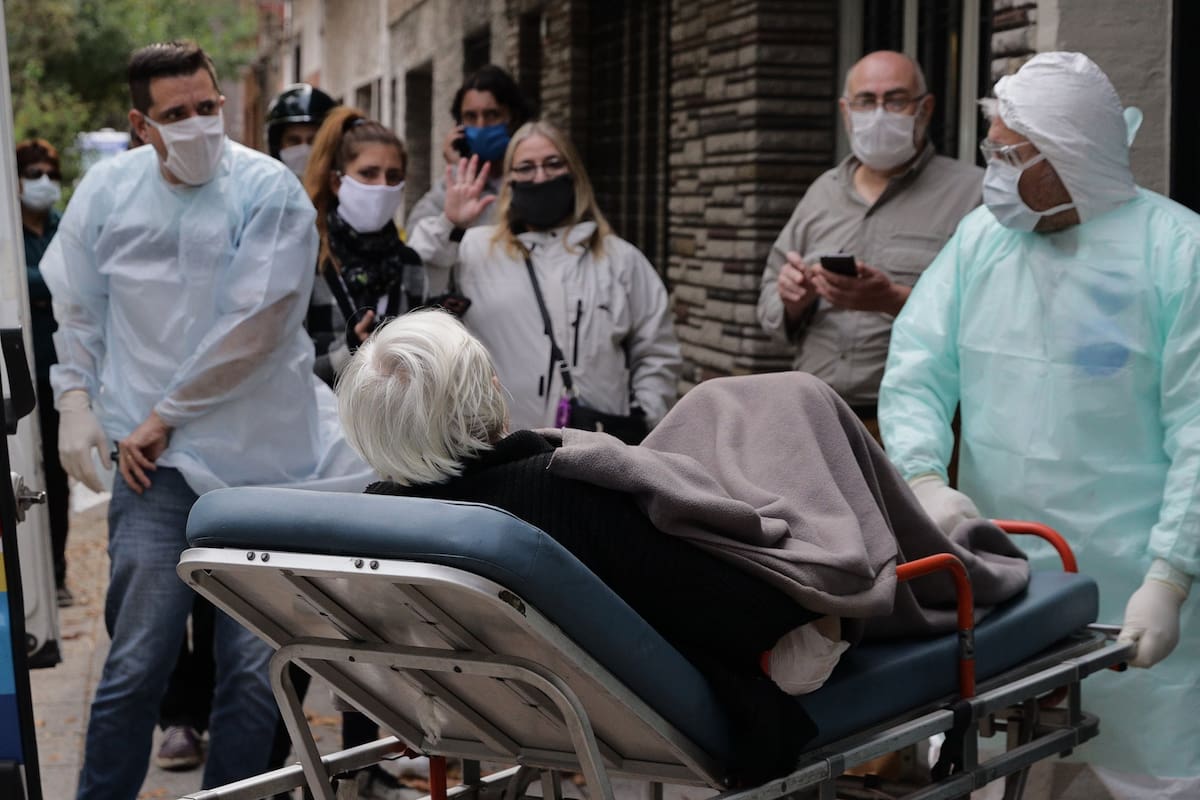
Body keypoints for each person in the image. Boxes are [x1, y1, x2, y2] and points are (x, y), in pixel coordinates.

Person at [335, 309, 1031, 785]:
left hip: (537, 683)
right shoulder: (558, 494)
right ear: (485, 393)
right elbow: (743, 605)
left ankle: (915, 502)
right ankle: (936, 524)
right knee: (796, 401)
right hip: (704, 641)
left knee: (729, 405)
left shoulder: (391, 521)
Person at [41, 40, 370, 798]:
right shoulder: (107, 194)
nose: (197, 124)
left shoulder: (268, 191)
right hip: (154, 470)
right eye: (175, 114)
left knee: (255, 676)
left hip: (267, 468)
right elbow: (80, 309)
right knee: (135, 667)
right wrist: (73, 400)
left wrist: (160, 415)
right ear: (139, 124)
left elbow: (254, 326)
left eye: (207, 107)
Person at [879, 52, 1199, 799]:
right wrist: (925, 480)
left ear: (1069, 157)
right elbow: (917, 370)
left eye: (1009, 155)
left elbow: (1198, 431)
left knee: (1151, 778)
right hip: (1007, 584)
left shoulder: (1179, 255)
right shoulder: (980, 244)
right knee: (999, 776)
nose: (990, 169)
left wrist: (1172, 577)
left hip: (1139, 598)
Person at [757, 51, 981, 435]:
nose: (878, 113)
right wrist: (793, 301)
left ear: (925, 108)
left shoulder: (972, 195)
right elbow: (769, 302)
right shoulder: (821, 193)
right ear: (846, 111)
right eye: (865, 101)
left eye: (895, 100)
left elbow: (991, 320)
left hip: (914, 428)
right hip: (814, 420)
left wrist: (894, 300)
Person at [423, 119, 682, 436]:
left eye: (553, 164)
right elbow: (421, 290)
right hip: (503, 450)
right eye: (526, 168)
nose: (540, 177)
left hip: (600, 451)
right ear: (510, 180)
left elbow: (656, 352)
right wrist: (449, 225)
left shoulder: (620, 259)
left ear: (574, 174)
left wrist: (645, 419)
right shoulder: (472, 250)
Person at [301, 106, 425, 386]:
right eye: (369, 174)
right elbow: (287, 368)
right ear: (336, 181)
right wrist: (352, 352)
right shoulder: (307, 257)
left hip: (394, 425)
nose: (382, 186)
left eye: (393, 177)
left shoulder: (409, 263)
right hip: (322, 423)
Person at [15, 138, 71, 608]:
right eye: (34, 174)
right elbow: (20, 279)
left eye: (50, 173)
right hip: (17, 370)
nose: (44, 183)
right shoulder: (8, 228)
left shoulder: (62, 225)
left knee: (55, 475)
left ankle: (56, 575)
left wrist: (38, 284)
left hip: (57, 371)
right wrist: (42, 284)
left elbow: (71, 278)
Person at [406, 65, 533, 270]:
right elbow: (416, 242)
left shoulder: (533, 176)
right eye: (471, 117)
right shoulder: (453, 181)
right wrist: (459, 171)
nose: (481, 126)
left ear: (513, 117)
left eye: (492, 115)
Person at [265, 82, 337, 177]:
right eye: (294, 141)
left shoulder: (343, 189)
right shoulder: (263, 189)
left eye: (313, 141)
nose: (304, 150)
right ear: (277, 144)